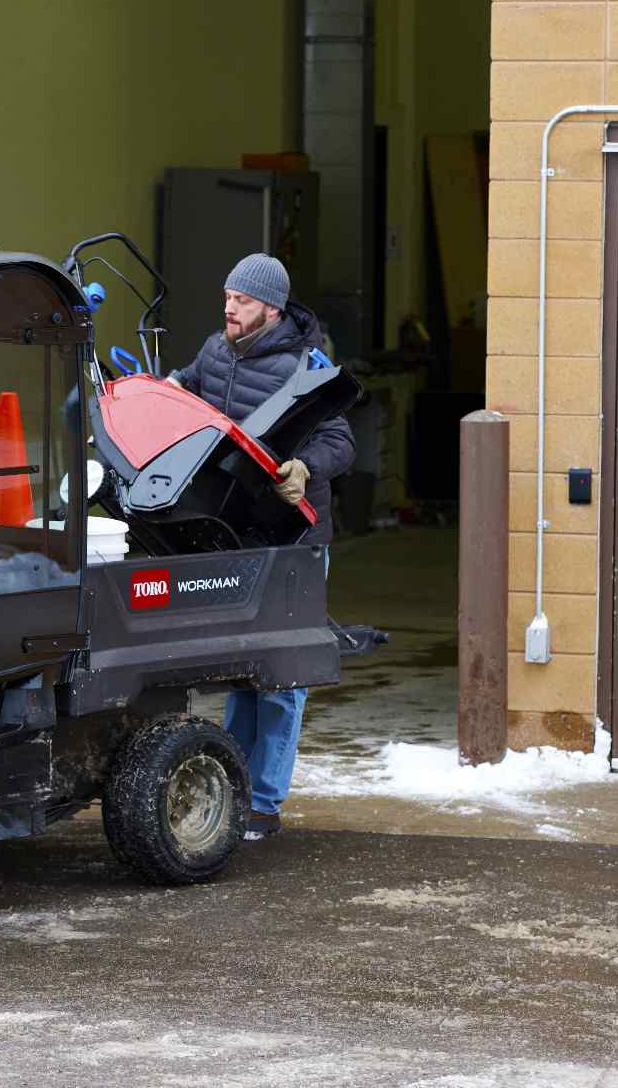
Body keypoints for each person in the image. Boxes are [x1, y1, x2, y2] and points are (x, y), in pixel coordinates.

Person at [168, 252, 354, 840]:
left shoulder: (307, 366)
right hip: (239, 532)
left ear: (270, 309)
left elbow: (341, 441)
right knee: (243, 671)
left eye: (241, 300)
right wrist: (165, 392)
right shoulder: (214, 351)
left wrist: (304, 464)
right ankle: (237, 788)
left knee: (281, 676)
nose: (228, 306)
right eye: (226, 295)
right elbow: (188, 389)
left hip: (295, 540)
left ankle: (265, 804)